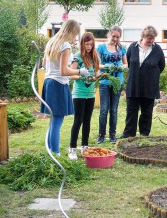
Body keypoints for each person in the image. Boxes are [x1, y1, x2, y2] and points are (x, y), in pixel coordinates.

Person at [40, 19, 89, 156]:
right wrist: (80, 71)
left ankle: (51, 152)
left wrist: (70, 62)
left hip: (49, 82)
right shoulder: (65, 45)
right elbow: (63, 71)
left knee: (53, 120)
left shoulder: (52, 41)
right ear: (72, 31)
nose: (75, 37)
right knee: (57, 120)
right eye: (75, 34)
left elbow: (44, 64)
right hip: (58, 84)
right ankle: (56, 154)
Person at [119, 25, 165, 138]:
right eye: (149, 38)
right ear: (143, 36)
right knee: (131, 111)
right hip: (133, 84)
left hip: (149, 86)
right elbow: (127, 63)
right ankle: (129, 134)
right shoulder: (133, 47)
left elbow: (161, 66)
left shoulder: (157, 49)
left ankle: (144, 134)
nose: (151, 40)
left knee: (147, 112)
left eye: (153, 38)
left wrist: (150, 74)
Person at [68, 32, 100, 160]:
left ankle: (85, 147)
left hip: (91, 94)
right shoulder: (77, 57)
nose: (89, 47)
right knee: (78, 120)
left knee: (87, 120)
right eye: (87, 44)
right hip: (79, 94)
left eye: (91, 44)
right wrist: (83, 76)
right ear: (82, 44)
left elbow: (96, 73)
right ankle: (72, 149)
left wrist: (99, 76)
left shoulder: (95, 57)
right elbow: (70, 75)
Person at [96, 26, 128, 144]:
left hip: (117, 82)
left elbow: (125, 64)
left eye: (118, 37)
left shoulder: (121, 48)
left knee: (113, 110)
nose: (115, 39)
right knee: (104, 109)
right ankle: (101, 135)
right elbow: (96, 64)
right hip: (105, 81)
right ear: (109, 34)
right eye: (114, 36)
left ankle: (112, 135)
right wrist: (107, 66)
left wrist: (120, 67)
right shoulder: (101, 47)